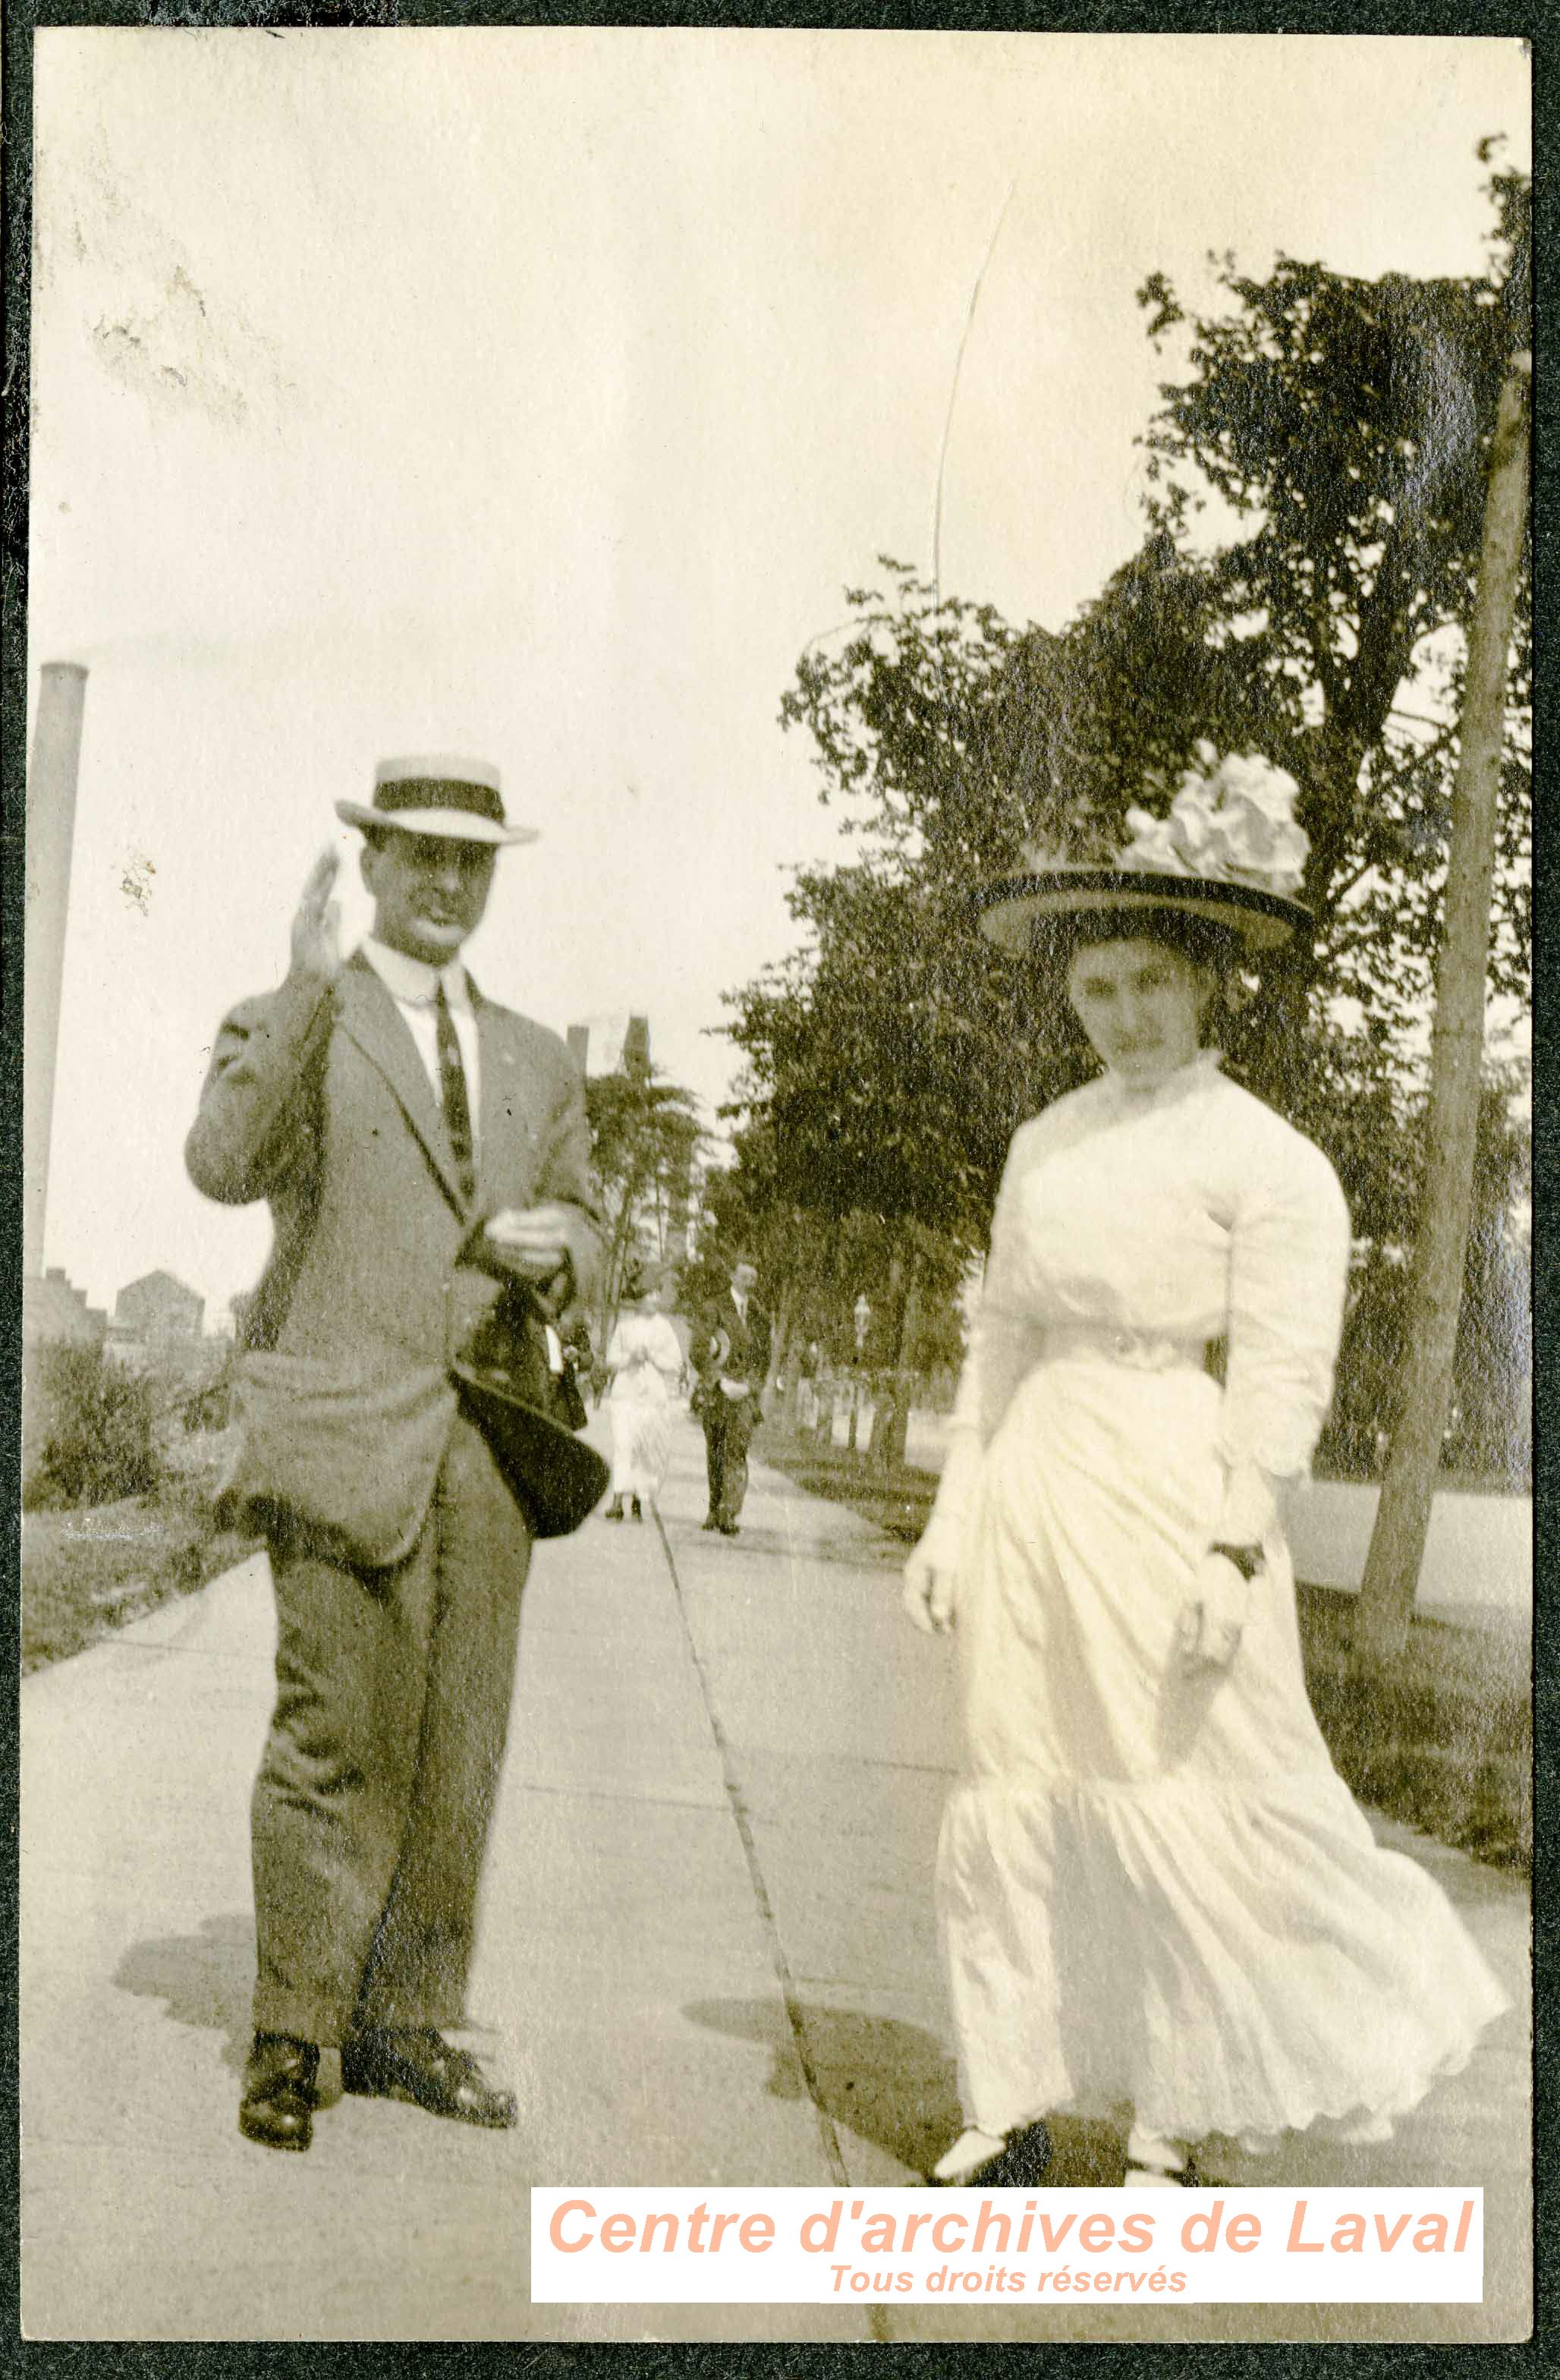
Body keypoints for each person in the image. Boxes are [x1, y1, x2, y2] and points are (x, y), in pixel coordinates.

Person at [902, 751, 1507, 2190]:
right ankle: (1012, 2096)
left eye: (1151, 986)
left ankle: (1173, 2110)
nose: (1124, 1015)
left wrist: (1236, 1553)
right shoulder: (1042, 1145)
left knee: (1178, 1789)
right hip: (1038, 1481)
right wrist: (949, 1513)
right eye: (1098, 988)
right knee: (1014, 1778)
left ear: (1207, 983)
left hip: (1169, 1489)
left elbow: (1283, 1375)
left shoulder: (1272, 1161)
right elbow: (999, 1340)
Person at [186, 754, 599, 2155]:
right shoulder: (302, 1012)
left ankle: (410, 2020)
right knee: (329, 1735)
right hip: (339, 1429)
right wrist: (303, 987)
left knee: (455, 1744)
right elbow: (222, 1161)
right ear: (370, 865)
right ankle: (295, 2031)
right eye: (418, 855)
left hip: (486, 1448)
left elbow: (589, 1217)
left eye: (471, 861)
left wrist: (570, 1248)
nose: (445, 884)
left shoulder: (541, 1056)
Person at [693, 1256, 770, 1535]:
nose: (749, 1282)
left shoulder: (760, 1316)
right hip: (718, 1394)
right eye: (744, 1276)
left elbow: (764, 1359)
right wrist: (720, 1381)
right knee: (715, 1452)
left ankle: (729, 1513)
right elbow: (699, 1350)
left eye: (754, 1278)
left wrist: (750, 1386)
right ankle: (714, 1508)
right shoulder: (713, 1308)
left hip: (745, 1397)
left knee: (736, 1452)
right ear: (733, 1277)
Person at [602, 1268, 684, 1521]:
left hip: (653, 1396)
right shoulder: (625, 1327)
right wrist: (630, 1357)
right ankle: (617, 1500)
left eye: (657, 1294)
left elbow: (676, 1363)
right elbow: (611, 1359)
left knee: (645, 1448)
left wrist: (653, 1357)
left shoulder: (665, 1329)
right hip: (626, 1393)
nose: (654, 1299)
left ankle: (638, 1499)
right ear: (639, 1298)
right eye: (649, 1294)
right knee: (623, 1444)